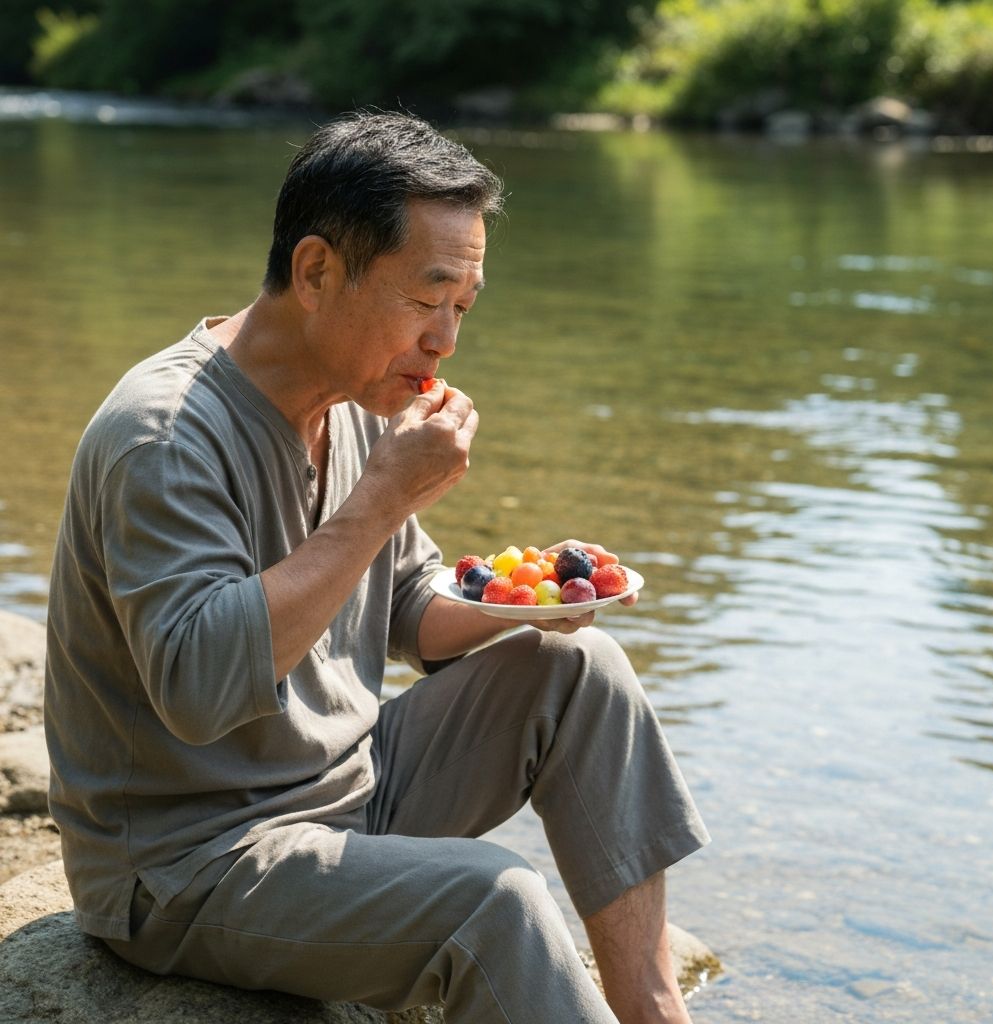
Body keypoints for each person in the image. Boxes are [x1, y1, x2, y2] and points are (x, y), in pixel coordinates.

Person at [44, 110, 710, 1024]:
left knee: (581, 671)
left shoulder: (359, 396)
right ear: (317, 272)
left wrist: (523, 606)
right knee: (495, 899)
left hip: (351, 791)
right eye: (426, 298)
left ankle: (653, 1008)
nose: (446, 340)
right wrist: (383, 499)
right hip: (189, 860)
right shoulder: (163, 435)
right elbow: (199, 688)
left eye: (463, 306)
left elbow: (404, 602)